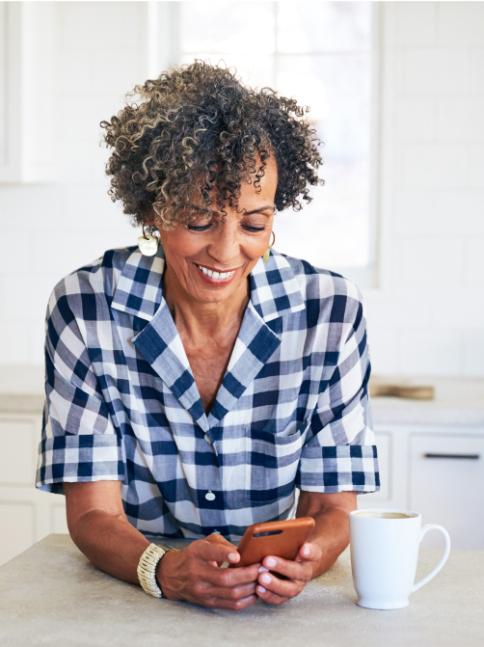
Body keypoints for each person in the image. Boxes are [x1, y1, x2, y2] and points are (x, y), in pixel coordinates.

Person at [36, 61, 380, 610]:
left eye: (253, 223)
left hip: (268, 605)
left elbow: (334, 507)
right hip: (135, 597)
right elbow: (93, 513)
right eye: (198, 221)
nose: (225, 251)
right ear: (153, 210)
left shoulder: (330, 314)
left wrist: (310, 557)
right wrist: (163, 569)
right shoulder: (86, 308)